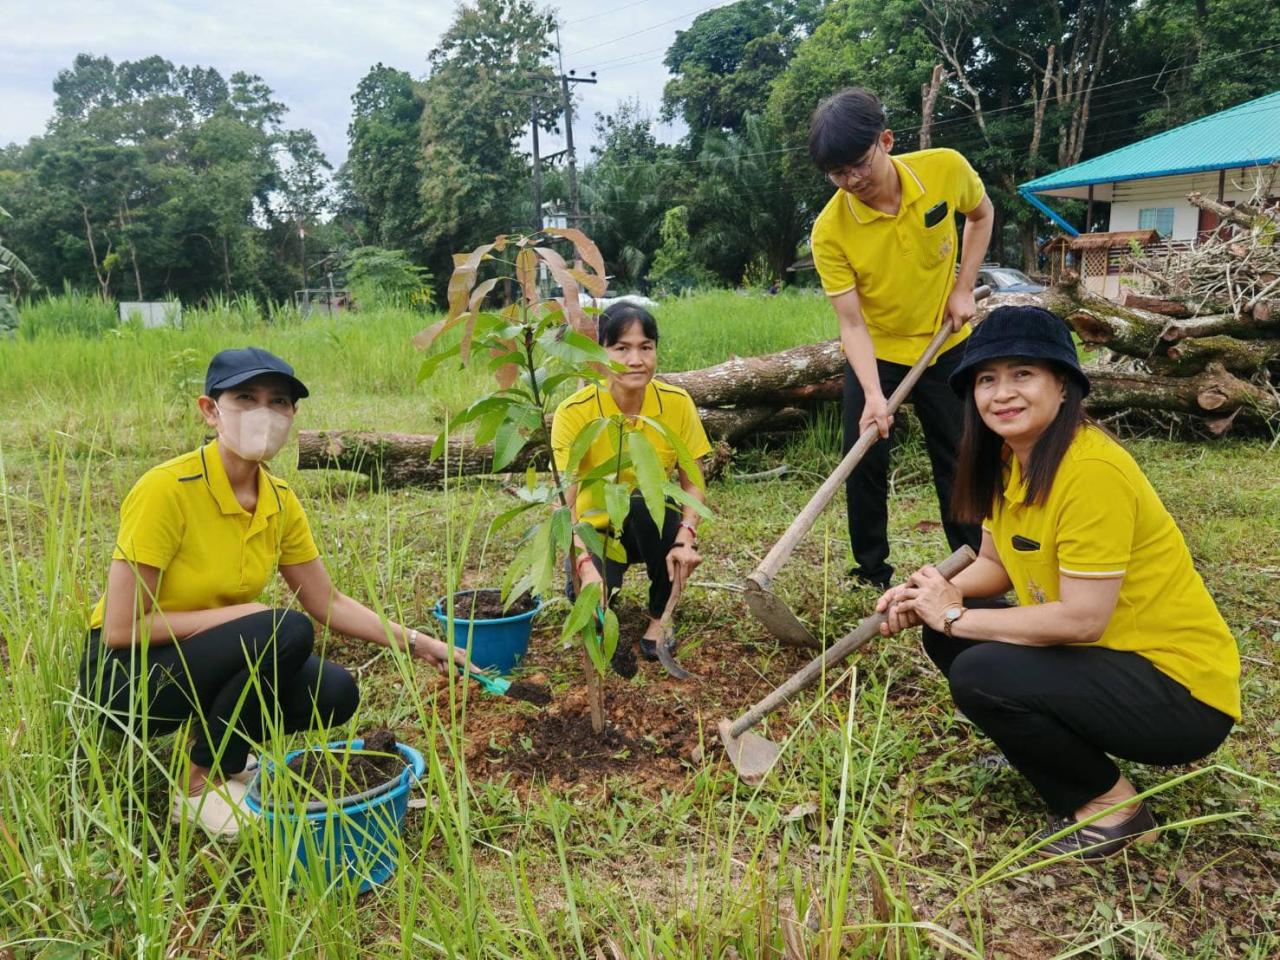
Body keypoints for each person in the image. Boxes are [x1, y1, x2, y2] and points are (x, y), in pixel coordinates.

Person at [876, 306, 1240, 860]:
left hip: (1178, 692)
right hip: (1108, 663)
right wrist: (926, 596)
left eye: (1023, 374)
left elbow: (1082, 619)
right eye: (987, 378)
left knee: (978, 664)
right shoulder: (1010, 459)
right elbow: (996, 566)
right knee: (946, 637)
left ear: (1064, 386)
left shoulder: (1091, 471)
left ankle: (1115, 807)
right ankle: (1055, 753)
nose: (1002, 393)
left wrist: (956, 614)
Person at [80, 347, 467, 839]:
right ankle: (199, 784)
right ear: (210, 409)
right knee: (282, 631)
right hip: (124, 677)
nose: (264, 413)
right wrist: (244, 614)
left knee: (335, 691)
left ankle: (226, 752)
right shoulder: (166, 489)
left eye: (279, 401)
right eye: (246, 397)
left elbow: (327, 601)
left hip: (206, 658)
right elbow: (120, 629)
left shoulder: (279, 500)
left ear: (293, 414)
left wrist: (420, 642)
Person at [808, 88, 995, 589]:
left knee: (958, 457)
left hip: (946, 342)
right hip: (879, 352)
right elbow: (852, 324)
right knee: (864, 458)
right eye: (837, 174)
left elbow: (981, 215)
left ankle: (974, 563)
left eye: (859, 165)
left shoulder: (944, 169)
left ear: (885, 141)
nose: (852, 181)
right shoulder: (830, 232)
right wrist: (873, 394)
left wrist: (962, 288)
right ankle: (871, 570)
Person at [551, 303, 712, 662]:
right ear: (601, 353)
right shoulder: (575, 413)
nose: (635, 360)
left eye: (646, 347)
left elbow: (693, 482)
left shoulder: (676, 404)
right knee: (591, 607)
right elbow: (565, 503)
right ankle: (604, 585)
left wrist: (686, 537)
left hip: (651, 526)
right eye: (621, 348)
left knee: (643, 498)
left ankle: (660, 616)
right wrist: (583, 563)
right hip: (596, 532)